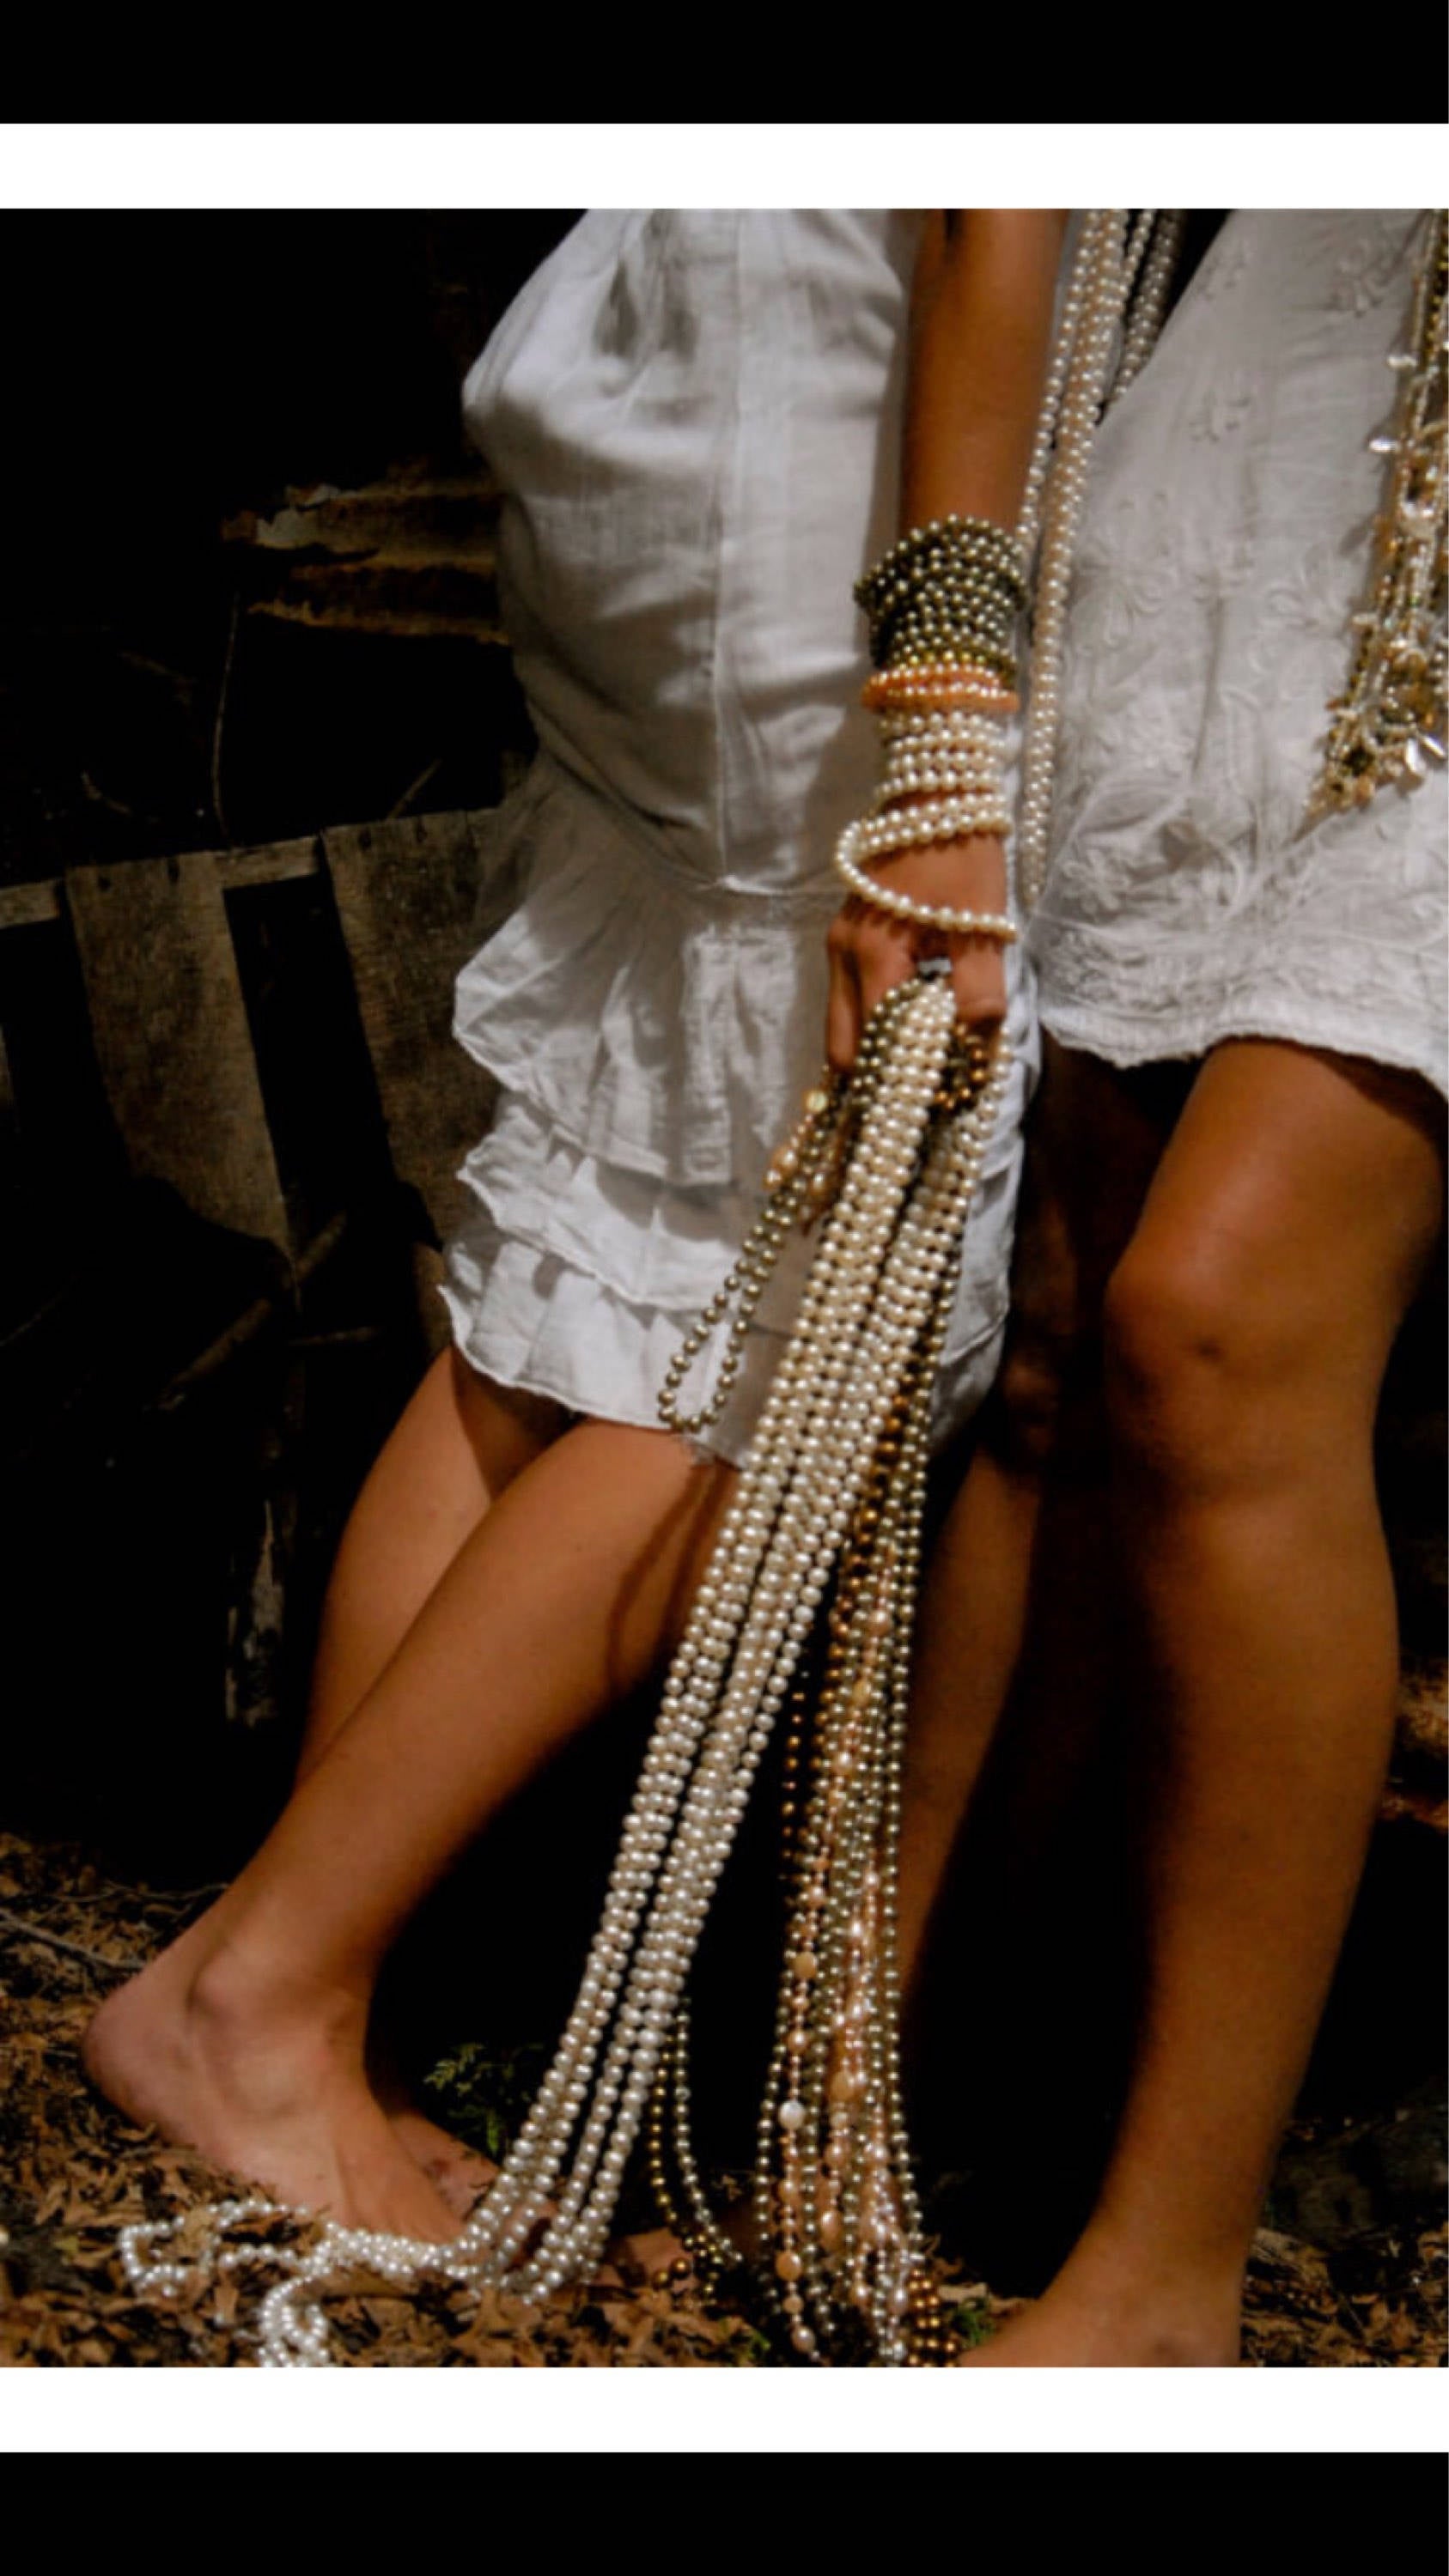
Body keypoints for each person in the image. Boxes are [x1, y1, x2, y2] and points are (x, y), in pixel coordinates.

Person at [82, 210, 1056, 2254]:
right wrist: (946, 730)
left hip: (681, 344)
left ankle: (301, 1984)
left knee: (580, 1285)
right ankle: (254, 2004)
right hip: (847, 432)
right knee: (807, 1322)